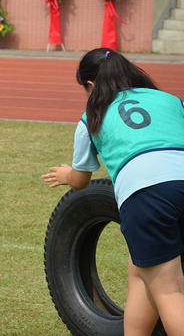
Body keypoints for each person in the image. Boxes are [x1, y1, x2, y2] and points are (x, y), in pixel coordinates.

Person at [42, 48, 184, 335]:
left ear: (91, 85)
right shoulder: (171, 100)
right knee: (140, 274)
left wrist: (65, 174)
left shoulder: (92, 115)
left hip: (148, 196)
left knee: (170, 293)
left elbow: (81, 180)